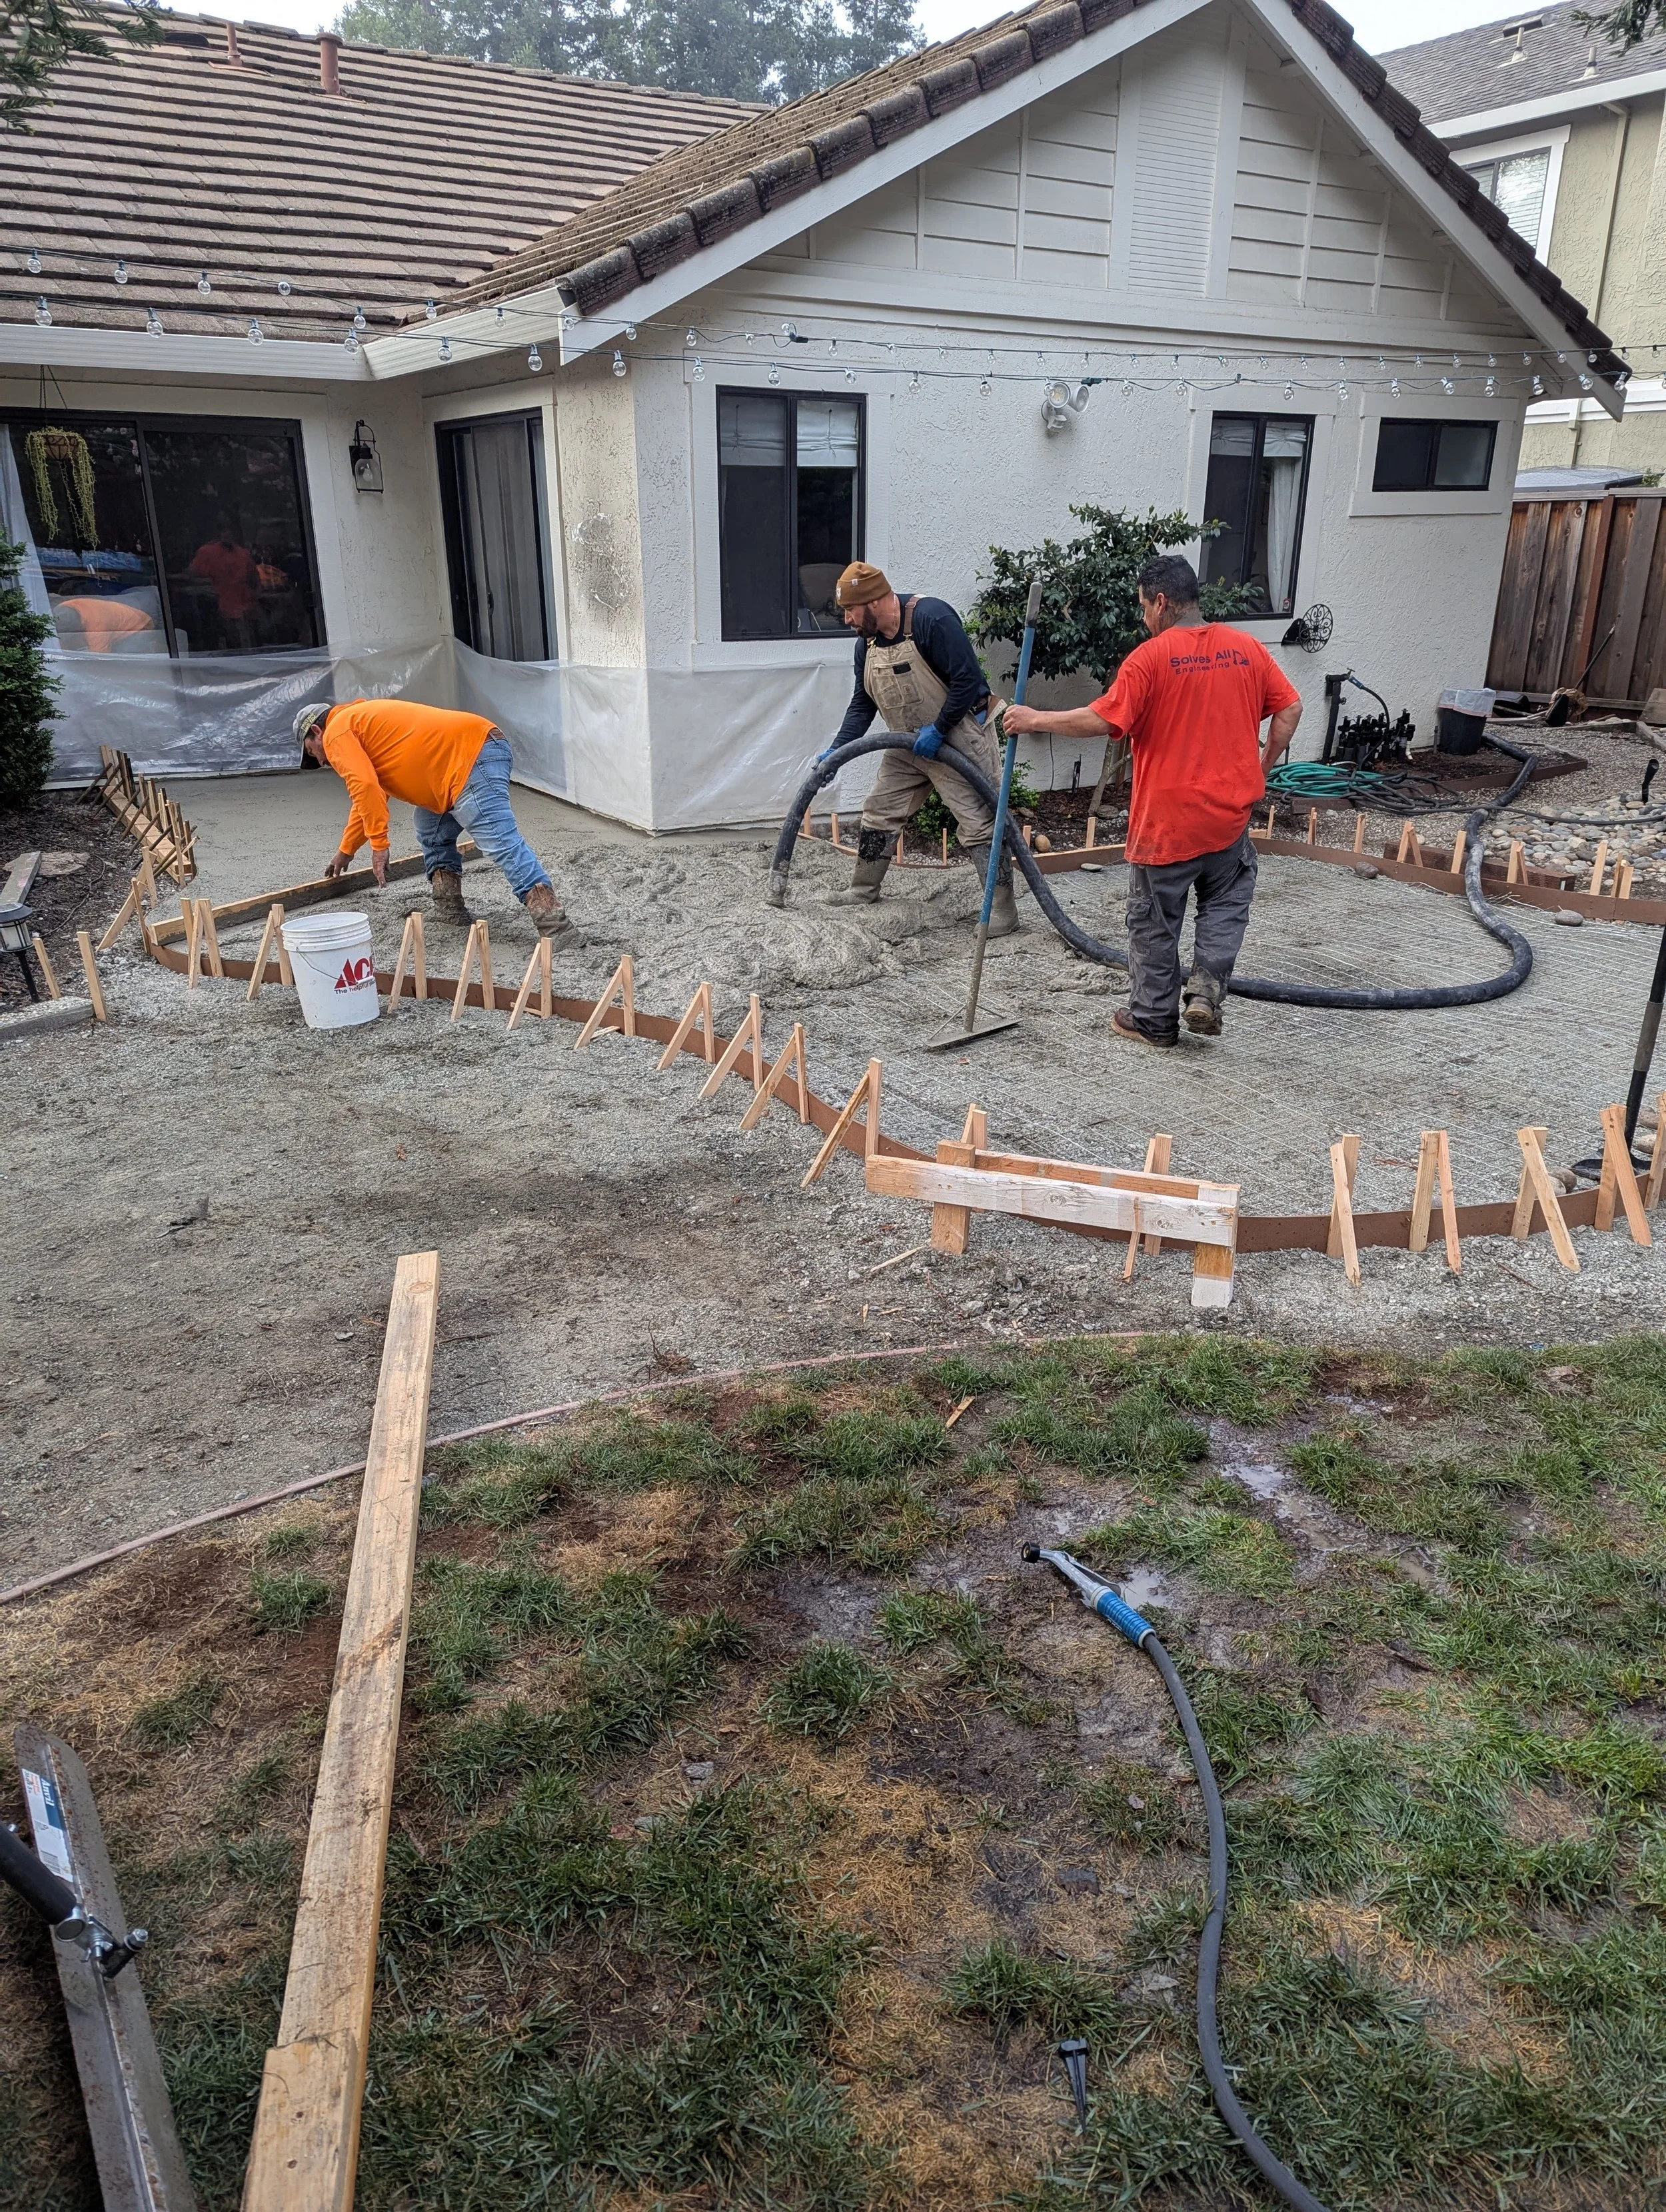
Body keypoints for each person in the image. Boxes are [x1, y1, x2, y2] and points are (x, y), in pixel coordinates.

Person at [1003, 554, 1302, 1047]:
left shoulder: (1151, 658)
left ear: (1161, 601)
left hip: (1169, 823)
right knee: (1226, 903)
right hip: (1228, 820)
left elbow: (1103, 719)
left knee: (1155, 921)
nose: (1144, 618)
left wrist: (1034, 719)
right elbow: (1290, 707)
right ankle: (1205, 987)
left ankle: (1153, 1021)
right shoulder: (1247, 648)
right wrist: (1262, 767)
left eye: (1144, 607)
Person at [816, 560, 1019, 935]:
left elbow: (967, 680)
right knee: (879, 810)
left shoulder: (932, 619)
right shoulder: (869, 643)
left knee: (979, 823)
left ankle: (1003, 912)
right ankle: (863, 890)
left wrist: (939, 730)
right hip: (907, 742)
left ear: (874, 602)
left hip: (958, 736)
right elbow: (863, 704)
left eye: (850, 611)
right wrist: (837, 751)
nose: (846, 620)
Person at [293, 698, 570, 939]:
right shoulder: (356, 723)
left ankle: (555, 925)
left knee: (499, 840)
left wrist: (379, 846)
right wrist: (346, 850)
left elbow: (364, 787)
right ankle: (451, 909)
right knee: (430, 828)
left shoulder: (337, 733)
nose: (320, 761)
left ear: (317, 731)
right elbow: (366, 795)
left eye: (311, 751)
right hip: (466, 756)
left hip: (469, 758)